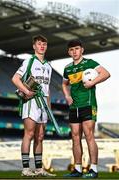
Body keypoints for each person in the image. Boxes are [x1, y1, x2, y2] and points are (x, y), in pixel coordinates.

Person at [62, 39, 110, 178]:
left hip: (88, 104)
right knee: (75, 137)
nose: (74, 52)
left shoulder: (90, 63)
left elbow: (106, 73)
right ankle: (77, 169)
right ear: (68, 52)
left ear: (82, 50)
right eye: (71, 49)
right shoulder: (68, 68)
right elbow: (65, 84)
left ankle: (93, 169)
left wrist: (92, 82)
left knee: (89, 136)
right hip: (74, 106)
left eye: (77, 48)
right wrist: (67, 96)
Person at [12, 34, 55, 177]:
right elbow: (15, 79)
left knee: (40, 136)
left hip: (44, 105)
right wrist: (26, 91)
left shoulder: (48, 65)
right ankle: (25, 169)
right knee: (29, 134)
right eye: (39, 44)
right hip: (31, 102)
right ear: (34, 46)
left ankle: (38, 169)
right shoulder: (29, 61)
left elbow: (47, 90)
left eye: (44, 44)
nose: (42, 46)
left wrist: (49, 109)